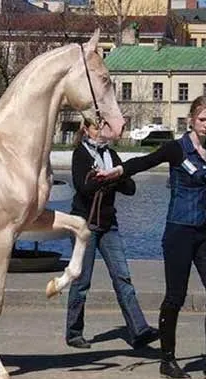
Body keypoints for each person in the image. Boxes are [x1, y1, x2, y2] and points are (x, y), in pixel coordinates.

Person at [96, 95, 206, 379]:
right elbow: (145, 161)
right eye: (202, 119)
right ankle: (168, 359)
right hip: (179, 231)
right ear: (191, 119)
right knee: (176, 296)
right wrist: (118, 171)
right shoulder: (176, 149)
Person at [65, 117, 159, 350]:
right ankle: (74, 332)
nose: (100, 131)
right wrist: (103, 179)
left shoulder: (111, 155)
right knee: (81, 280)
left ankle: (139, 330)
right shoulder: (80, 154)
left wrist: (112, 176)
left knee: (122, 277)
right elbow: (82, 188)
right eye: (96, 126)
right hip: (83, 225)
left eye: (103, 127)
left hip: (109, 225)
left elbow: (131, 188)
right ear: (86, 129)